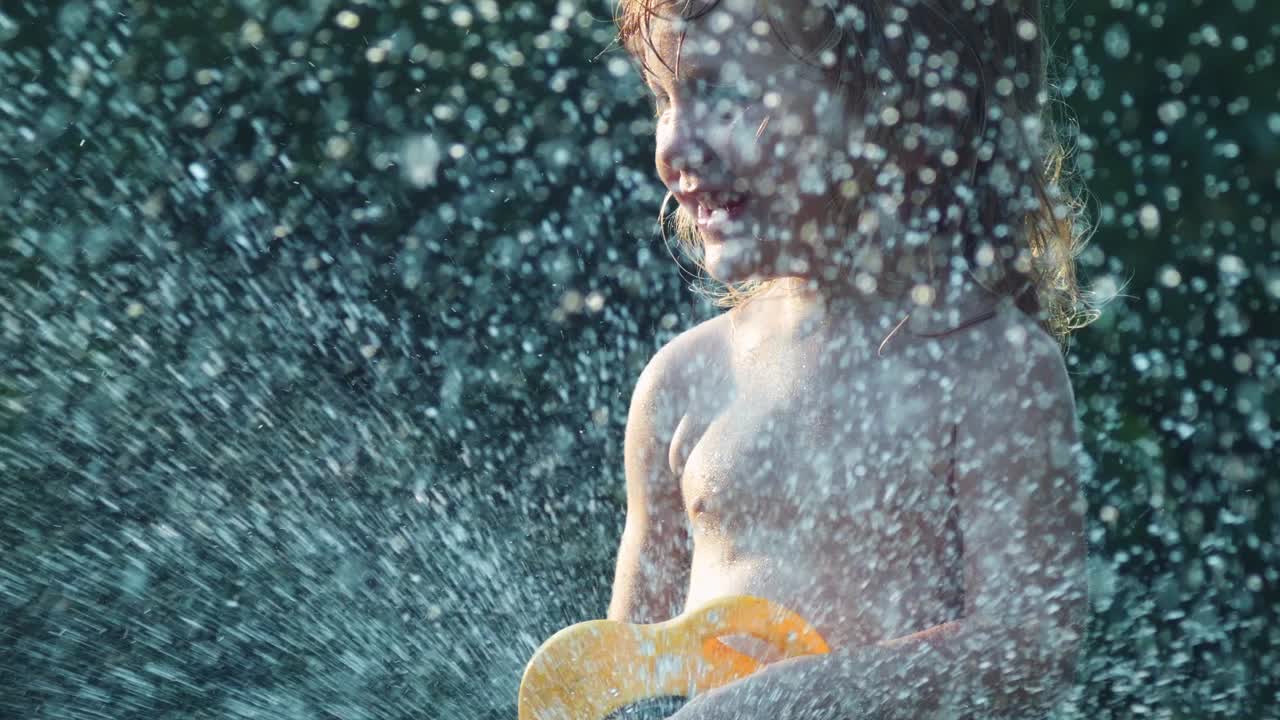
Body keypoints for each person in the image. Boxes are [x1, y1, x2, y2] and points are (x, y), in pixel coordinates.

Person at [604, 0, 1099, 718]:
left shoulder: (990, 368)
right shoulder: (684, 383)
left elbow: (1030, 649)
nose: (673, 145)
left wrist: (795, 701)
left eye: (722, 92)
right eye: (663, 97)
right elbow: (623, 671)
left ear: (889, 106)